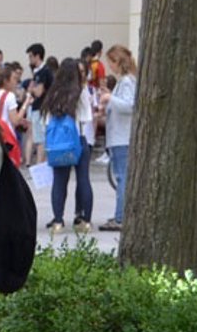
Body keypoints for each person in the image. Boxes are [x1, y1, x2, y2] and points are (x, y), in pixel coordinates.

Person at [44, 58, 95, 234]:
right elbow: (87, 118)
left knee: (59, 182)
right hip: (78, 140)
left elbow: (47, 121)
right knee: (83, 180)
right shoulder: (80, 92)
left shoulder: (53, 93)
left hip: (58, 143)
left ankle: (58, 221)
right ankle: (85, 221)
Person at [99, 45, 138, 231]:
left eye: (110, 62)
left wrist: (109, 99)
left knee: (122, 177)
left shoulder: (128, 81)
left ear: (117, 62)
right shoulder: (124, 81)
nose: (109, 67)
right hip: (118, 136)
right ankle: (121, 215)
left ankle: (121, 217)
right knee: (122, 176)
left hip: (122, 137)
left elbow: (130, 106)